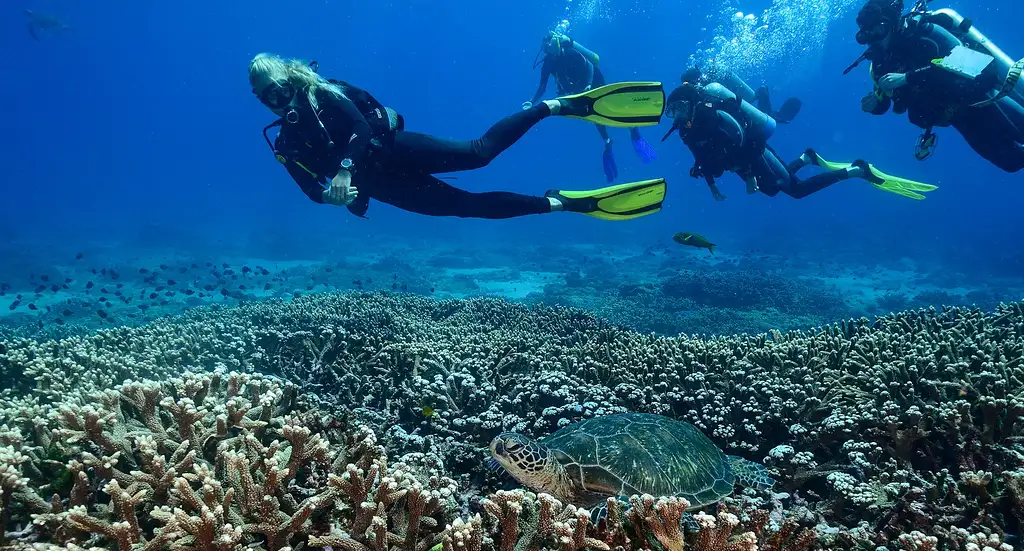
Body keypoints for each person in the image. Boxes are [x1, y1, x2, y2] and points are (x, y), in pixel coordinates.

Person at [250, 54, 668, 221]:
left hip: (393, 148)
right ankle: (564, 203)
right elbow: (309, 191)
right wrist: (331, 196)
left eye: (280, 88)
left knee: (480, 154)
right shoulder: (285, 144)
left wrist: (342, 170)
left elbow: (360, 126)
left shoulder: (325, 92)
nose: (277, 99)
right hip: (382, 185)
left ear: (290, 79)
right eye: (267, 96)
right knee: (468, 208)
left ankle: (555, 106)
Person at [663, 76, 936, 200]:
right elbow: (700, 156)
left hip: (757, 153)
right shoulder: (686, 130)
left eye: (680, 108)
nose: (676, 115)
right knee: (772, 190)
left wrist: (748, 175)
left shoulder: (714, 117)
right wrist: (712, 186)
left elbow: (750, 140)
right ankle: (807, 157)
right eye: (671, 111)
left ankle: (856, 170)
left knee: (796, 190)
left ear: (692, 104)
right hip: (743, 165)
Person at [848, 0, 1024, 171]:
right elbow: (883, 100)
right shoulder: (881, 64)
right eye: (866, 35)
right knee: (1013, 162)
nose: (874, 39)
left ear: (893, 23)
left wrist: (908, 77)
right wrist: (874, 105)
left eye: (879, 30)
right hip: (959, 119)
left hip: (982, 98)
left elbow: (972, 63)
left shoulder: (925, 32)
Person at [525, 31, 658, 182]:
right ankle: (608, 141)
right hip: (578, 88)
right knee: (594, 113)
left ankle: (632, 128)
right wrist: (531, 101)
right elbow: (542, 86)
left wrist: (589, 85)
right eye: (546, 47)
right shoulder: (548, 63)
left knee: (608, 107)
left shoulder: (570, 52)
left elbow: (589, 66)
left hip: (594, 81)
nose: (549, 48)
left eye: (550, 44)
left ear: (556, 42)